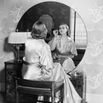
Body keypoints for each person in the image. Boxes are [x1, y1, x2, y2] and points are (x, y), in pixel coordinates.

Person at [22, 20, 81, 103]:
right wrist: (56, 65)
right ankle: (66, 99)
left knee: (59, 68)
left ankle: (48, 99)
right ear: (44, 31)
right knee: (59, 70)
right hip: (37, 77)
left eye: (63, 28)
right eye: (45, 29)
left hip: (26, 75)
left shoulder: (28, 42)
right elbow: (48, 67)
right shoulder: (44, 46)